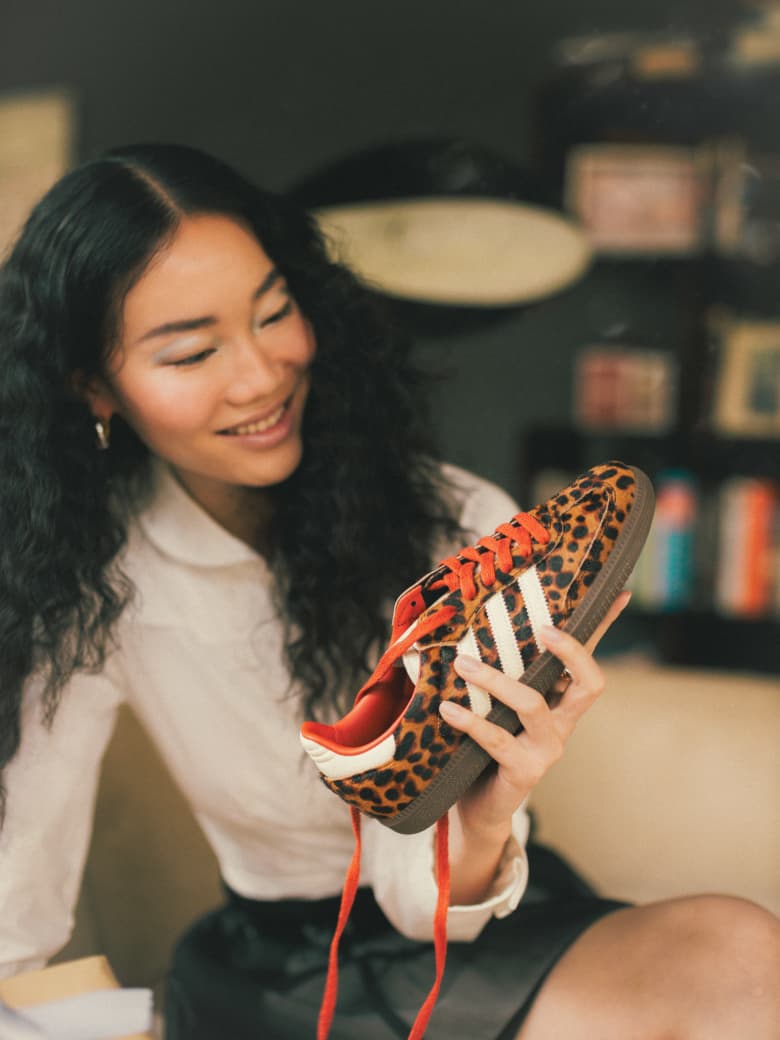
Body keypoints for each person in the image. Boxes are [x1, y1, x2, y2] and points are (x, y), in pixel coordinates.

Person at [0, 143, 777, 1040]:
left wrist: (483, 815)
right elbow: (17, 893)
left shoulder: (454, 518)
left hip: (483, 909)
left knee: (743, 959)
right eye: (192, 352)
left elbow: (426, 905)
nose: (260, 375)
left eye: (275, 313)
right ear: (95, 387)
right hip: (286, 962)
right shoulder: (86, 574)